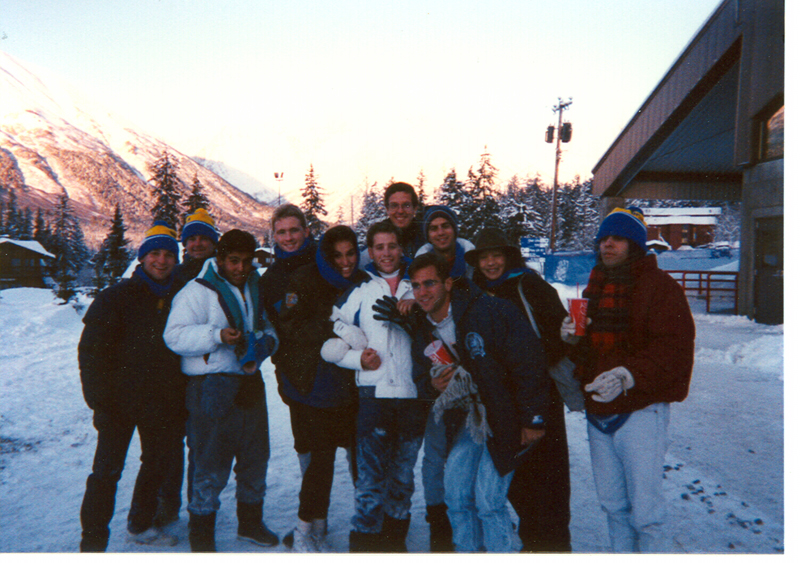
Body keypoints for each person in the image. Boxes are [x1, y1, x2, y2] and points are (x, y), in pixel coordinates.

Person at [561, 207, 695, 552]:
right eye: (603, 239)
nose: (608, 245)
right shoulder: (594, 286)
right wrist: (573, 341)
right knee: (613, 507)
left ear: (634, 244)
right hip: (599, 412)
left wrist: (628, 375)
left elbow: (674, 348)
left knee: (646, 514)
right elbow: (588, 354)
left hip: (640, 411)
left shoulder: (660, 287)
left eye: (617, 238)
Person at [406, 252, 549, 553]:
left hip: (505, 418)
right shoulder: (422, 326)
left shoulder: (487, 310)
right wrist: (433, 384)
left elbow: (529, 362)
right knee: (456, 497)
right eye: (416, 286)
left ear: (447, 282)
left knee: (488, 502)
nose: (422, 292)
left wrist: (533, 418)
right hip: (469, 423)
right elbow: (419, 377)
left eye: (429, 283)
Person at [163, 229, 279, 552]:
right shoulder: (196, 291)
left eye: (246, 261)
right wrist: (216, 336)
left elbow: (267, 326)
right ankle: (201, 536)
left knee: (256, 456)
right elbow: (174, 336)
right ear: (220, 259)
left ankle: (250, 523)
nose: (241, 268)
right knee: (209, 462)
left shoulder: (254, 289)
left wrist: (268, 342)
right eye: (233, 261)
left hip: (249, 382)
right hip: (211, 385)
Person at [77, 221, 186, 551]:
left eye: (169, 255)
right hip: (117, 405)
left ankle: (140, 524)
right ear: (142, 258)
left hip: (160, 403)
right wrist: (100, 402)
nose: (162, 261)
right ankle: (92, 541)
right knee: (106, 474)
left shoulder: (179, 298)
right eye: (155, 253)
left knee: (155, 465)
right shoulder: (116, 297)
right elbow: (91, 353)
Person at [321, 221, 427, 552]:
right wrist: (357, 359)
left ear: (402, 249)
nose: (386, 253)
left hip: (411, 396)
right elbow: (333, 332)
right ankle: (365, 541)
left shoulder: (418, 287)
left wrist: (416, 320)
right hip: (373, 396)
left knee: (403, 477)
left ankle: (395, 539)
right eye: (378, 247)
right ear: (370, 251)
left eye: (392, 246)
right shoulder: (361, 290)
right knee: (369, 478)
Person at [466, 227, 573, 552]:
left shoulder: (530, 286)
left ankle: (555, 548)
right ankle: (532, 544)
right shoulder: (475, 294)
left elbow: (559, 334)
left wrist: (531, 361)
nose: (491, 263)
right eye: (484, 257)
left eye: (496, 255)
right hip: (503, 403)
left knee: (550, 478)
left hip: (540, 395)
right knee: (519, 480)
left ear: (509, 256)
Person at [274, 225, 370, 552]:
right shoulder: (304, 278)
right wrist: (331, 328)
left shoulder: (362, 281)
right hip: (317, 384)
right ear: (326, 256)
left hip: (353, 384)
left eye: (350, 254)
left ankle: (368, 522)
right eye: (337, 255)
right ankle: (307, 528)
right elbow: (289, 326)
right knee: (321, 460)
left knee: (362, 457)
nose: (345, 262)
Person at [413, 204, 474, 551]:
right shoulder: (419, 314)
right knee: (434, 458)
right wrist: (429, 385)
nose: (439, 231)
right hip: (441, 400)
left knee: (467, 461)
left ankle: (466, 518)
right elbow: (416, 366)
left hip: (475, 399)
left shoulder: (471, 298)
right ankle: (438, 523)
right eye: (432, 227)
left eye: (444, 225)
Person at [154, 207, 220, 529]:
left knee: (199, 445)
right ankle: (168, 504)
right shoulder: (172, 275)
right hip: (167, 375)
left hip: (199, 374)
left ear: (213, 243)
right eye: (191, 238)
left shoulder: (219, 275)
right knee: (168, 445)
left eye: (202, 238)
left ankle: (198, 506)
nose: (196, 244)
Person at [360, 182, 426, 268]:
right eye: (394, 206)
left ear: (415, 208)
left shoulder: (427, 237)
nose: (400, 211)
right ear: (387, 209)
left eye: (406, 205)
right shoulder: (376, 240)